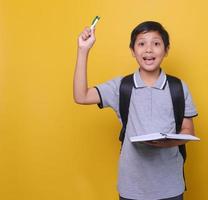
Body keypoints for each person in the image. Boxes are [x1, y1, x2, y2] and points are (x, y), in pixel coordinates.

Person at [73, 21, 198, 200]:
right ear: (132, 50)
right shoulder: (121, 86)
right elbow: (81, 96)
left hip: (170, 187)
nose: (148, 49)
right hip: (132, 188)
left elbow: (188, 130)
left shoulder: (178, 87)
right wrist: (83, 50)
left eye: (156, 43)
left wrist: (166, 142)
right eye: (141, 43)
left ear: (166, 49)